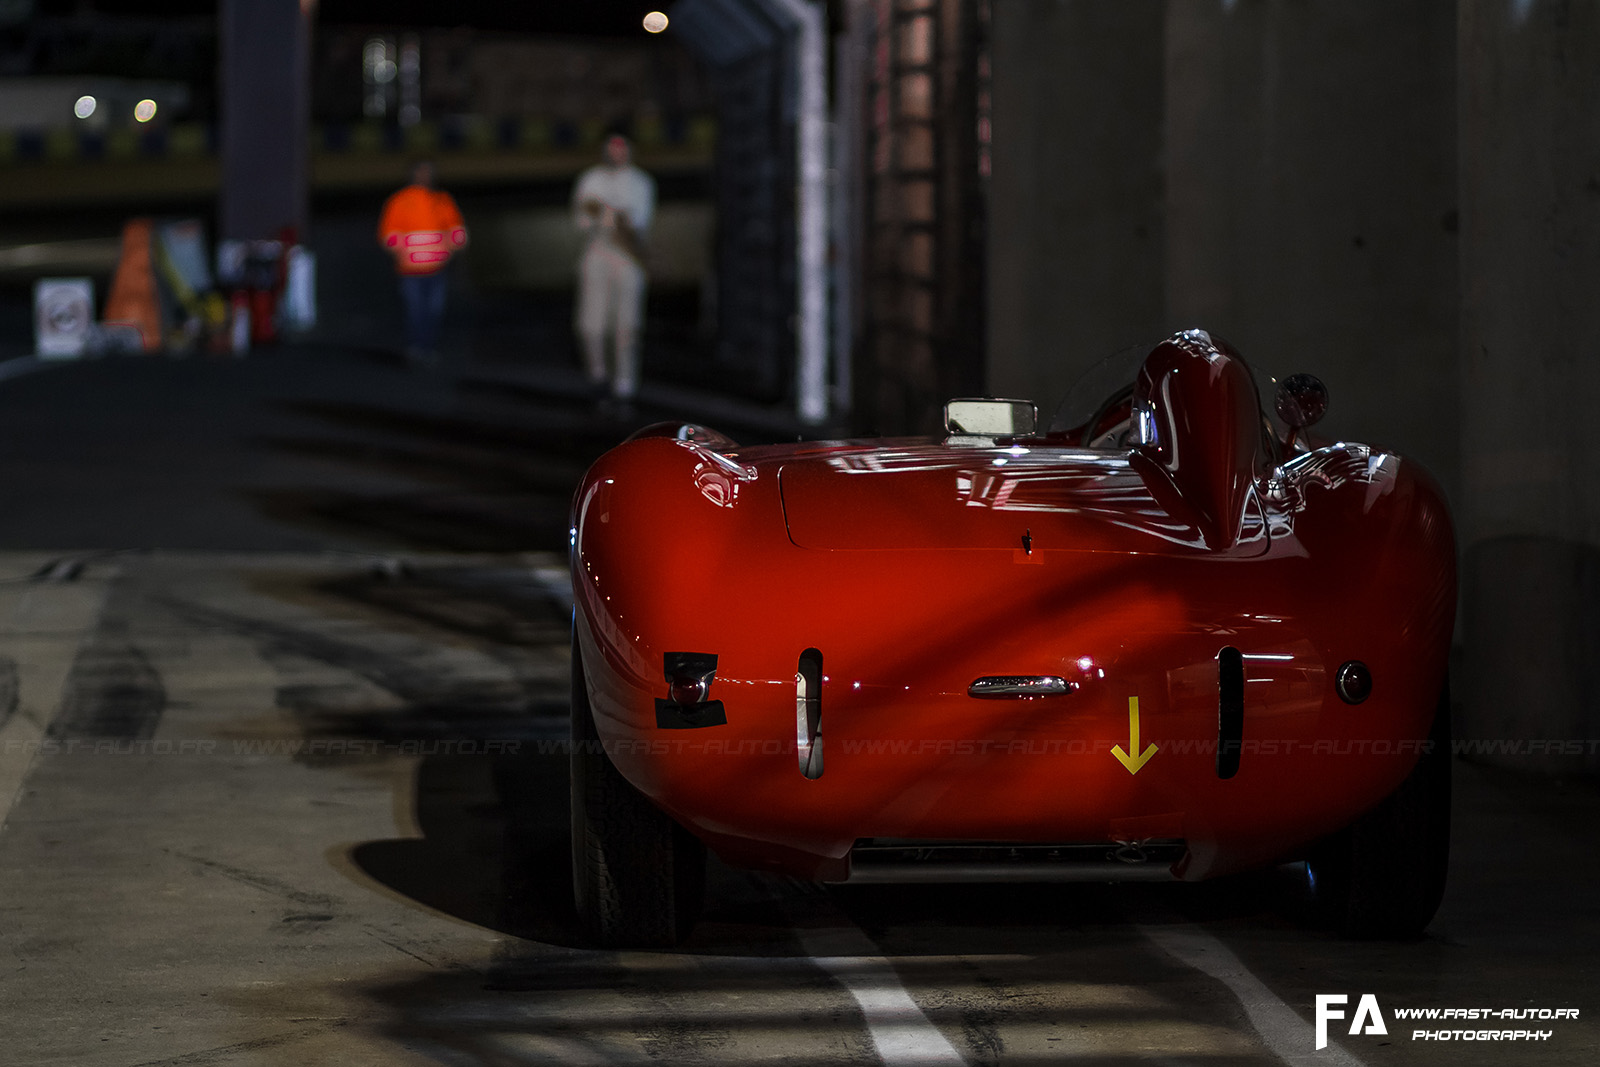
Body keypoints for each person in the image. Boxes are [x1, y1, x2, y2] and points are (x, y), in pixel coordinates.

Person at [572, 134, 656, 405]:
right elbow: (582, 218)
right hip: (598, 251)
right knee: (591, 325)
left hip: (627, 255)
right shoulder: (590, 179)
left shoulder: (640, 182)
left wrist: (610, 214)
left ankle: (625, 386)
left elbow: (638, 221)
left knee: (626, 326)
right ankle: (598, 377)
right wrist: (604, 215)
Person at [379, 161, 467, 363]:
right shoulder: (399, 201)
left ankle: (429, 347)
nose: (425, 176)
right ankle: (416, 347)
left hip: (437, 268)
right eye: (421, 172)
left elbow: (456, 229)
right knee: (415, 309)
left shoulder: (442, 200)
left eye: (428, 173)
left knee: (435, 310)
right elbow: (389, 233)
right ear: (412, 175)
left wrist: (454, 245)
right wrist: (400, 249)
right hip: (410, 270)